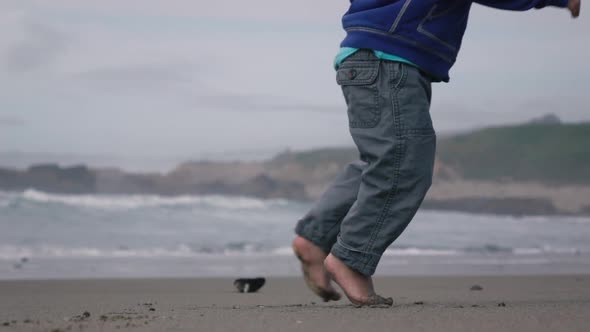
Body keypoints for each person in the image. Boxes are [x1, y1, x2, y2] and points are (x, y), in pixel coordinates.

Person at [293, 0, 581, 307]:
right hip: (389, 58)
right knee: (403, 166)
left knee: (386, 161)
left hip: (375, 57)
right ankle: (351, 258)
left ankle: (317, 236)